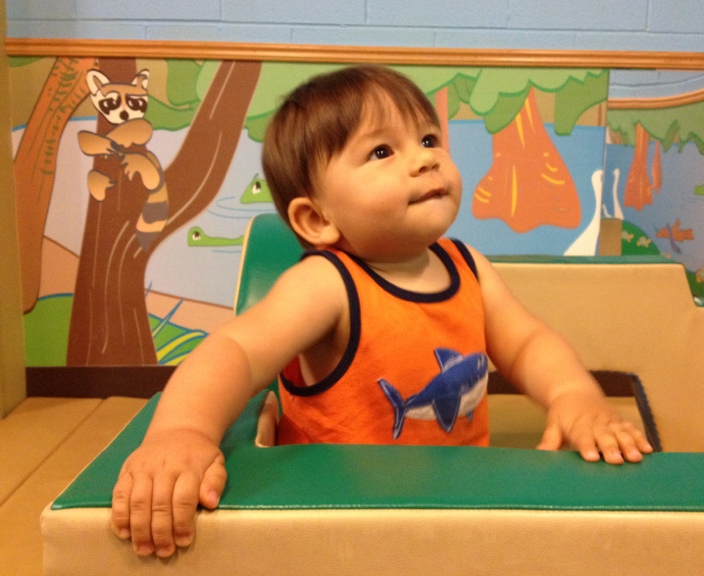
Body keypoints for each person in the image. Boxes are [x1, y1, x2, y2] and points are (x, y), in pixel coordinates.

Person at [111, 65, 653, 557]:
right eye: (381, 152)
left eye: (429, 139)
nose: (425, 158)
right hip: (337, 522)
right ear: (318, 219)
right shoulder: (328, 284)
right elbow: (237, 350)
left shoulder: (468, 266)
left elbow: (529, 342)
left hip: (458, 506)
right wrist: (183, 430)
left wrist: (574, 396)